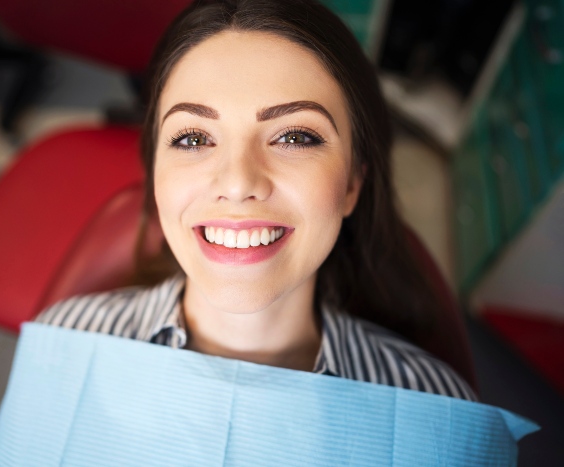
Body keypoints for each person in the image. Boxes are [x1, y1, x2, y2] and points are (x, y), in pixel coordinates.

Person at [35, 0, 476, 401]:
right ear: (155, 175)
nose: (238, 181)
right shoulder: (67, 342)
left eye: (295, 137)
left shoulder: (434, 403)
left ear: (351, 185)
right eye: (192, 138)